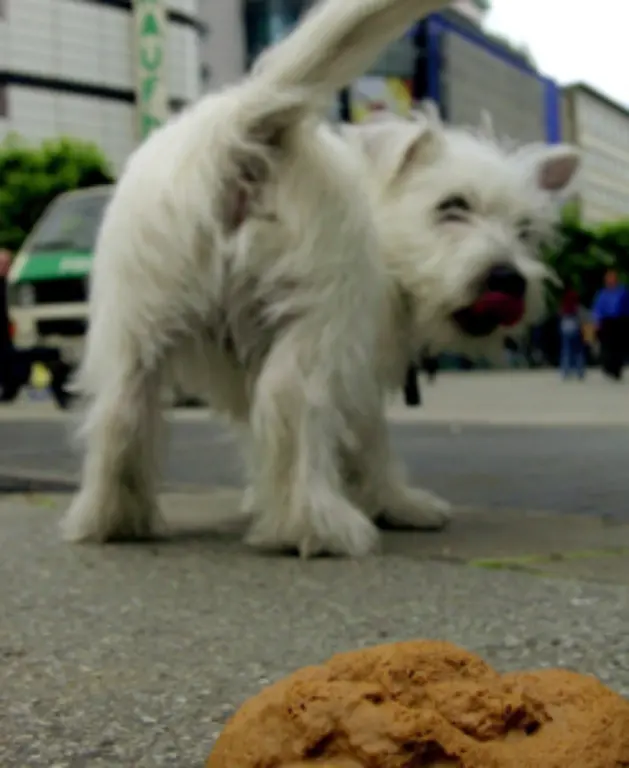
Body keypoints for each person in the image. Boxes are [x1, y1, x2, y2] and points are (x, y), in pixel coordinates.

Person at [0, 249, 74, 408]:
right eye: (2, 264)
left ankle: (59, 382)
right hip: (9, 343)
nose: (5, 267)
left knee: (29, 357)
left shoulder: (13, 285)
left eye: (7, 264)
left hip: (12, 341)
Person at [592, 269, 629, 381]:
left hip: (619, 321)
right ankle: (608, 367)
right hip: (606, 322)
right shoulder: (602, 293)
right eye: (608, 279)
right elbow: (597, 309)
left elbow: (626, 306)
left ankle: (617, 369)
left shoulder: (622, 291)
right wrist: (596, 322)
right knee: (607, 346)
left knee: (619, 346)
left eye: (612, 278)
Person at [558, 283, 585, 380]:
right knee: (577, 349)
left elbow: (561, 311)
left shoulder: (564, 298)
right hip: (574, 322)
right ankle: (580, 371)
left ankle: (565, 371)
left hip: (565, 323)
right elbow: (577, 309)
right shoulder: (574, 296)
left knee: (566, 350)